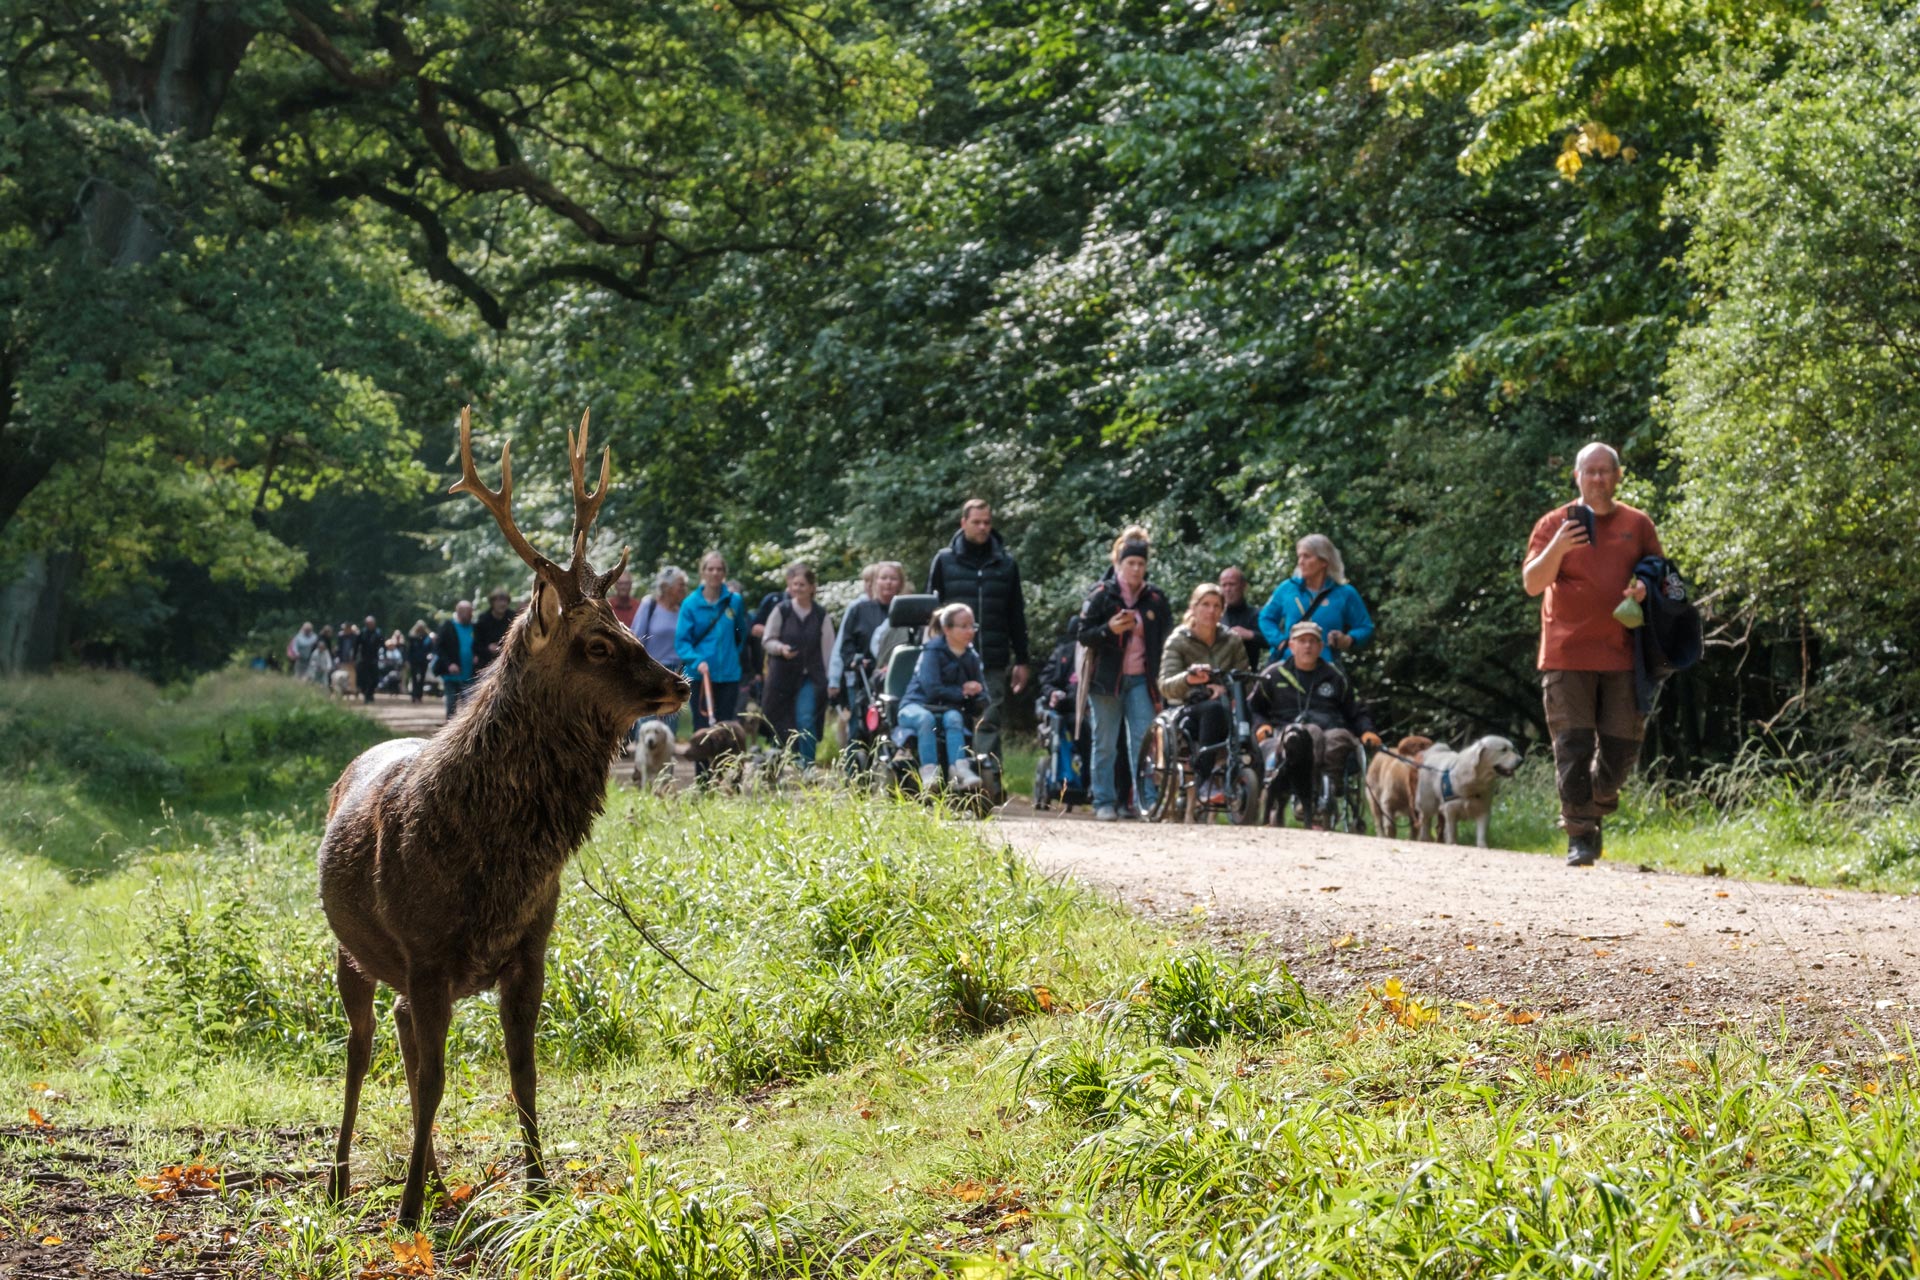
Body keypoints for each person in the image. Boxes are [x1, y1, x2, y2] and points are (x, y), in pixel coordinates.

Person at [1523, 441, 1663, 867]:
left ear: (1618, 476)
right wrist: (1558, 548)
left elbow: (1664, 576)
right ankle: (1580, 834)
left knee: (1622, 749)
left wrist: (1645, 586)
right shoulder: (1554, 523)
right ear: (1577, 477)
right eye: (1590, 471)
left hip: (1623, 654)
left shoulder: (1636, 523)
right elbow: (1532, 583)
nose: (1598, 478)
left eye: (1606, 471)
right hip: (1565, 653)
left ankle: (1597, 801)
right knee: (1573, 745)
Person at [926, 500, 1031, 794]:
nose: (983, 527)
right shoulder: (944, 561)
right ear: (963, 523)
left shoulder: (1006, 564)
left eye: (987, 522)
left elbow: (1016, 615)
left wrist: (1022, 659)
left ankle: (987, 782)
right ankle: (950, 778)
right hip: (950, 658)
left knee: (988, 718)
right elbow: (931, 612)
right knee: (951, 717)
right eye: (977, 522)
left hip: (992, 657)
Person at [1075, 527, 1171, 822]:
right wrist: (1109, 629)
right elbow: (1082, 634)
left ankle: (1147, 801)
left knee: (1143, 741)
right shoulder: (1102, 594)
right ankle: (1103, 801)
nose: (1136, 569)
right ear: (1119, 563)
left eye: (1141, 564)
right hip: (1105, 682)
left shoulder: (1155, 598)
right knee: (1104, 743)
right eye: (1131, 563)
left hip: (1142, 680)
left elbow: (1167, 637)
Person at [1250, 620, 1382, 828]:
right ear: (1291, 645)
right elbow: (1255, 708)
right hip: (1287, 731)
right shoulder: (1273, 675)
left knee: (1336, 738)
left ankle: (1323, 800)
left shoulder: (1335, 676)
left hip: (1332, 729)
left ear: (1321, 647)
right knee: (1306, 734)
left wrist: (1367, 731)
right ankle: (1308, 797)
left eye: (1313, 641)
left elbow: (1356, 710)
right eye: (1302, 641)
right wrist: (1261, 726)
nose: (1308, 646)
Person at [1157, 583, 1251, 801]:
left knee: (1248, 718)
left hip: (1227, 706)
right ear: (1194, 607)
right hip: (1185, 709)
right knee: (1213, 710)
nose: (1211, 611)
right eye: (1205, 605)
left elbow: (1244, 679)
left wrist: (1225, 689)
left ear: (1222, 610)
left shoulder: (1232, 640)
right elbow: (1165, 684)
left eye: (1216, 606)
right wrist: (1190, 680)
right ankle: (1203, 778)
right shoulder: (1178, 640)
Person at [898, 602, 987, 791]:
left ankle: (959, 769)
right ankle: (929, 772)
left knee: (955, 718)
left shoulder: (971, 656)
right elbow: (931, 689)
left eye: (973, 626)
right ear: (947, 629)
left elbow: (982, 692)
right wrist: (963, 692)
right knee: (926, 719)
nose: (970, 631)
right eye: (964, 626)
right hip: (916, 706)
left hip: (947, 709)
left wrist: (978, 695)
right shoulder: (932, 651)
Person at [675, 551, 748, 778]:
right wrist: (698, 661)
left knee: (726, 731)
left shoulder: (734, 601)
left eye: (719, 569)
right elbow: (682, 642)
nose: (715, 573)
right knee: (703, 729)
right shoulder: (690, 604)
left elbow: (741, 634)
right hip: (700, 676)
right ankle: (704, 780)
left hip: (728, 676)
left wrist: (730, 656)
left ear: (724, 573)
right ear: (703, 572)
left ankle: (726, 778)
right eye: (710, 569)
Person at [1257, 535, 1373, 666]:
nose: (1300, 562)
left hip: (1326, 669)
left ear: (1324, 561)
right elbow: (1265, 618)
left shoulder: (1344, 593)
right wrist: (1279, 641)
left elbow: (1365, 627)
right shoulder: (1287, 589)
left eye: (1306, 556)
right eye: (1299, 556)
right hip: (1288, 665)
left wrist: (1348, 639)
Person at [762, 561, 836, 765]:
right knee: (781, 720)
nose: (798, 588)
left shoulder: (821, 615)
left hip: (811, 677)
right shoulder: (782, 610)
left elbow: (828, 650)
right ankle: (783, 761)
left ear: (812, 587)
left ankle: (807, 764)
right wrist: (780, 649)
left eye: (802, 584)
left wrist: (831, 679)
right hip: (782, 676)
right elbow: (767, 640)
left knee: (805, 718)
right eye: (795, 584)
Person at [633, 566, 689, 734]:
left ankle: (666, 760)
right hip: (653, 670)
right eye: (681, 585)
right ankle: (644, 759)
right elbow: (636, 638)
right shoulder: (649, 605)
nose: (684, 589)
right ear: (667, 587)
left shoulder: (682, 611)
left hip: (677, 672)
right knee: (648, 722)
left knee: (670, 726)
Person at [434, 600, 478, 720]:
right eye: (465, 612)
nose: (468, 615)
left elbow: (479, 646)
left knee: (469, 709)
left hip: (470, 676)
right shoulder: (448, 626)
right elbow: (439, 648)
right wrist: (449, 664)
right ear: (458, 612)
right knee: (451, 707)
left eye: (470, 612)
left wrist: (477, 655)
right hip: (452, 676)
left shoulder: (475, 628)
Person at [1218, 566, 1267, 670]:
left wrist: (1250, 635)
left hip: (1247, 678)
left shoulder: (1257, 615)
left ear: (1243, 586)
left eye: (1232, 584)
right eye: (1224, 585)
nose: (1228, 589)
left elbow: (1273, 641)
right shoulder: (1214, 616)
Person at [473, 591, 516, 676]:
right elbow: (476, 644)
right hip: (486, 663)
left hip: (508, 663)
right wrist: (488, 648)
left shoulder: (513, 617)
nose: (502, 604)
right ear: (492, 603)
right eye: (499, 601)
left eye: (505, 601)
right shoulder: (483, 620)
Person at [354, 615, 382, 703]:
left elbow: (382, 644)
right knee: (365, 678)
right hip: (364, 659)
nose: (370, 625)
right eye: (368, 623)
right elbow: (356, 645)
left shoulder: (378, 632)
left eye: (371, 623)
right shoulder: (362, 633)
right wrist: (354, 657)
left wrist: (383, 655)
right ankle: (366, 695)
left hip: (374, 658)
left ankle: (371, 693)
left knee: (375, 678)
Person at [405, 621, 432, 703]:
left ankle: (419, 696)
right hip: (414, 660)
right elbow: (409, 650)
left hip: (423, 661)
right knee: (414, 678)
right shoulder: (412, 637)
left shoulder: (427, 637)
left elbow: (430, 649)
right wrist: (408, 660)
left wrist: (429, 656)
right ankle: (414, 695)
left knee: (422, 679)